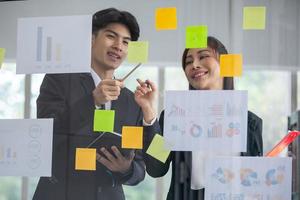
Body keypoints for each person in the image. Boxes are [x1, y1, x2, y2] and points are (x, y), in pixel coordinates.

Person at [33, 8, 149, 200]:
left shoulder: (131, 100)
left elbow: (139, 168)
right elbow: (45, 135)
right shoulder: (59, 79)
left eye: (126, 42)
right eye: (111, 36)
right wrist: (92, 101)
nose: (119, 46)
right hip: (60, 193)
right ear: (91, 39)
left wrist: (126, 169)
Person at [134, 36, 263, 200]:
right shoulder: (175, 116)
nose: (194, 65)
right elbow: (156, 168)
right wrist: (148, 111)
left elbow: (254, 182)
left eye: (203, 56)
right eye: (188, 62)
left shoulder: (250, 122)